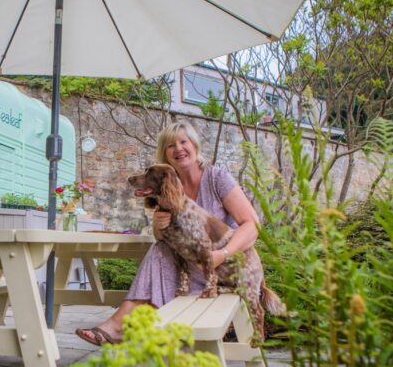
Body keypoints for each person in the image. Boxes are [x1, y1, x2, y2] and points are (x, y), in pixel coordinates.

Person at [75, 121, 261, 346]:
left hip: (222, 270)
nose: (178, 149)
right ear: (164, 153)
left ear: (195, 145)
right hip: (186, 271)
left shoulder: (216, 178)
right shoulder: (163, 181)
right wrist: (158, 225)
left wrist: (221, 254)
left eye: (183, 142)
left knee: (160, 259)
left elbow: (252, 225)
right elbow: (164, 238)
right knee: (160, 249)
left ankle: (124, 330)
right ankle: (129, 330)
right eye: (170, 145)